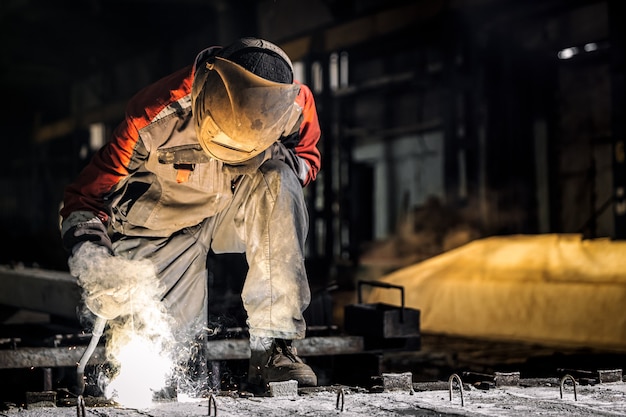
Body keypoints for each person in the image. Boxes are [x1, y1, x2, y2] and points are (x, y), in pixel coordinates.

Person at [59, 37, 322, 391]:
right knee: (168, 371)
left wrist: (271, 155)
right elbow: (83, 198)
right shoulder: (151, 117)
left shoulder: (293, 103)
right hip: (162, 230)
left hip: (229, 210)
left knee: (279, 179)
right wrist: (97, 262)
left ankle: (273, 348)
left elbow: (307, 160)